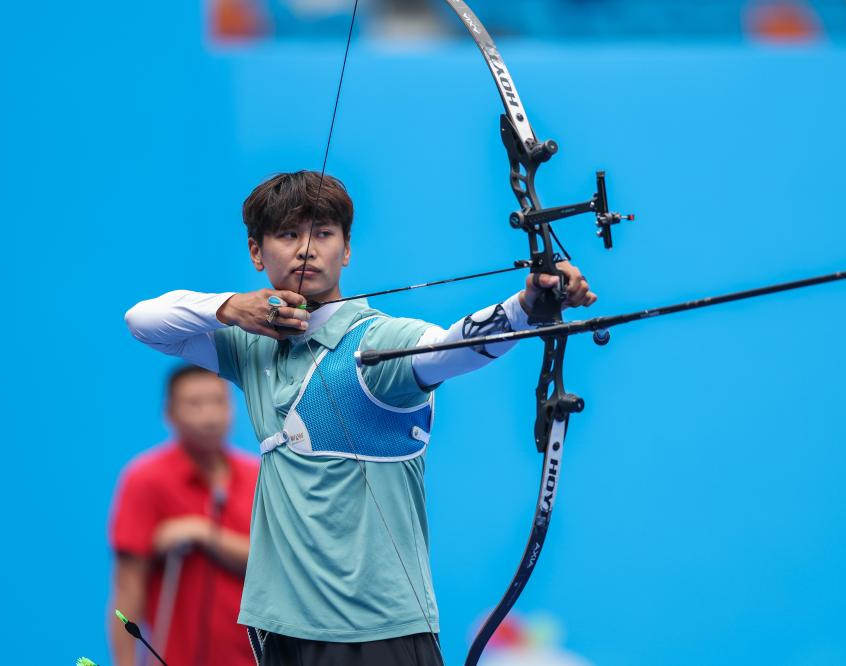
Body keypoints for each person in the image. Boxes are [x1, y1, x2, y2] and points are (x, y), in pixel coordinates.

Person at [124, 170, 596, 666]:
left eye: (324, 234)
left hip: (376, 633)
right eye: (288, 235)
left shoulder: (375, 343)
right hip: (283, 630)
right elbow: (143, 322)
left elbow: (446, 348)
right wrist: (230, 307)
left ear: (346, 249)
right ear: (256, 253)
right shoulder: (251, 345)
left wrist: (524, 309)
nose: (306, 249)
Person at [109, 365, 259, 666]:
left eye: (218, 401)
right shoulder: (145, 480)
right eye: (194, 404)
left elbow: (274, 564)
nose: (209, 416)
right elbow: (128, 589)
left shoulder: (259, 476)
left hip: (257, 657)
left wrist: (202, 532)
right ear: (170, 413)